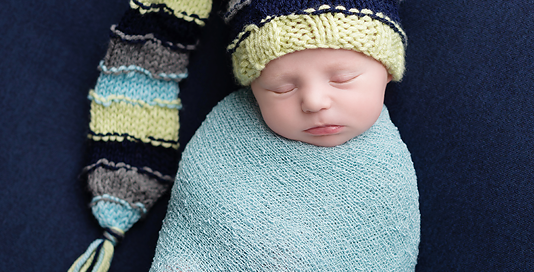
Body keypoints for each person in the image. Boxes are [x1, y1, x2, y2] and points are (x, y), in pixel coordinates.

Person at [69, 1, 419, 272]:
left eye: (342, 78)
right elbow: (200, 231)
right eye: (282, 87)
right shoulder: (227, 138)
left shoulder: (385, 172)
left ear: (387, 70)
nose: (314, 102)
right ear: (254, 88)